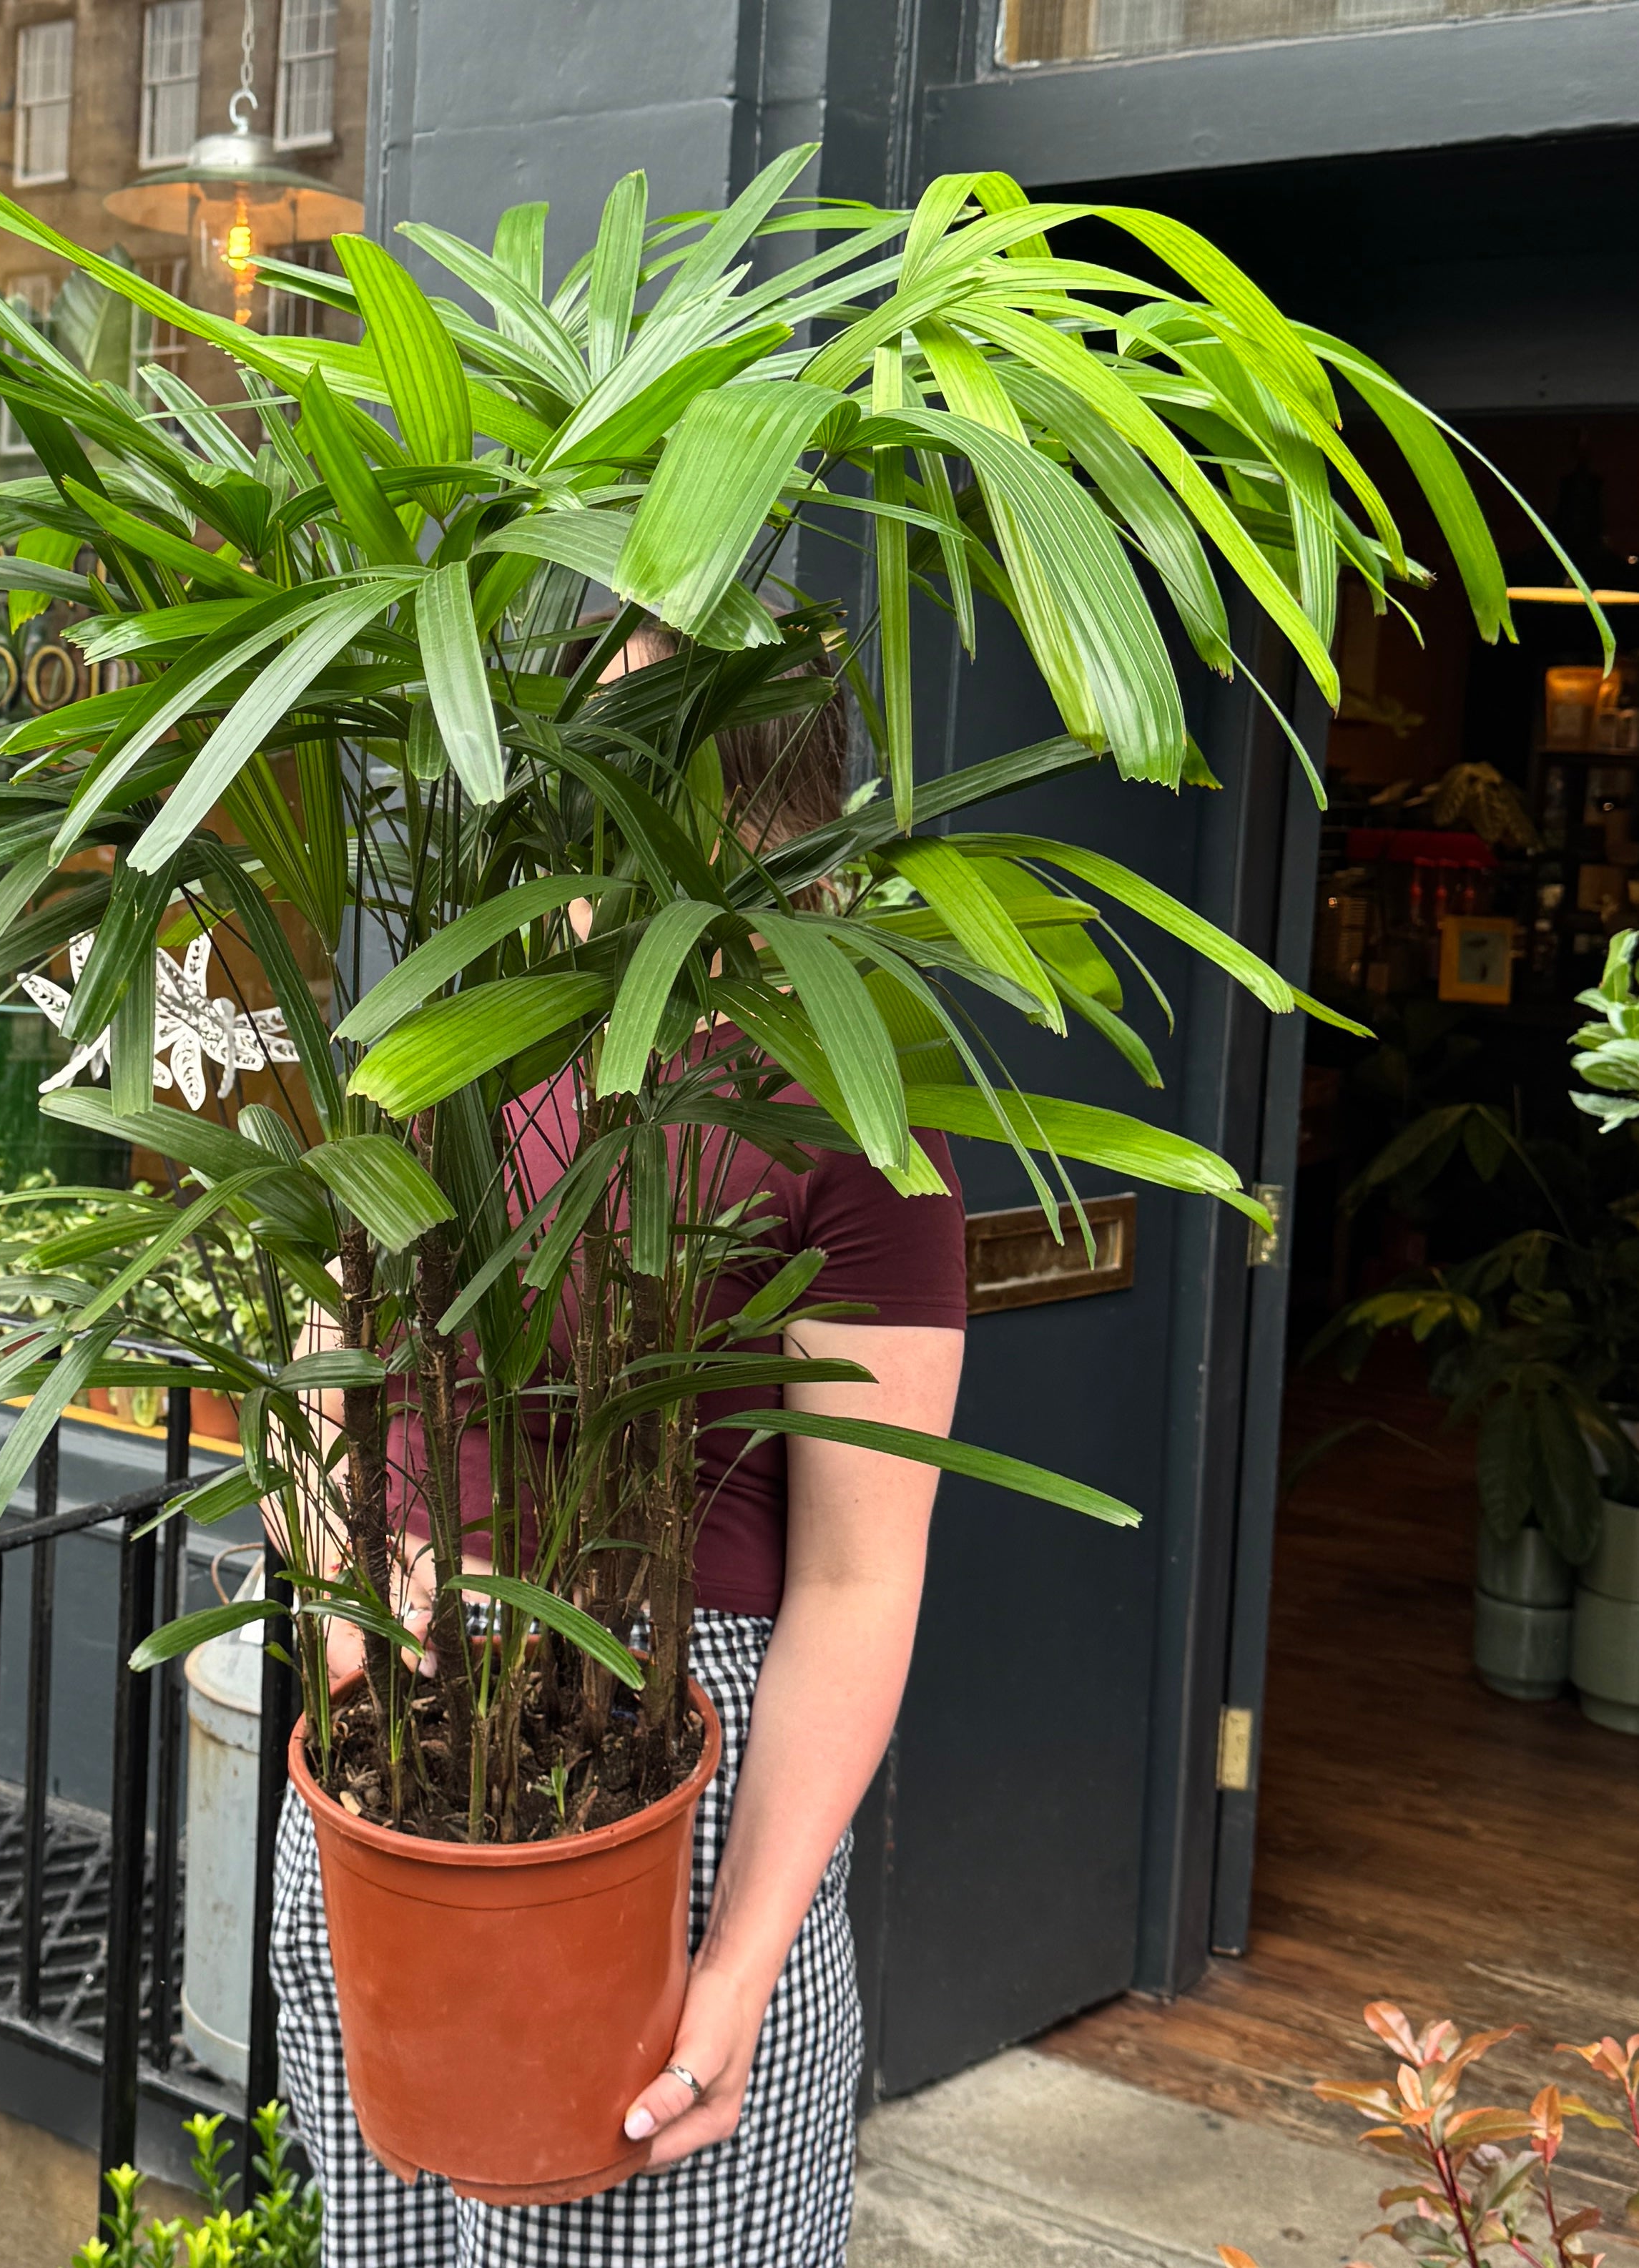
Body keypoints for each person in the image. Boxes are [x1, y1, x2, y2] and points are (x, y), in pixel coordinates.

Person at [270, 635, 968, 2267]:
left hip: (666, 1754)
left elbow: (859, 1577)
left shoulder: (846, 1091)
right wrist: (351, 1593)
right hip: (393, 1758)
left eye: (642, 724)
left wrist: (739, 1968)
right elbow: (320, 1375)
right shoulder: (459, 1032)